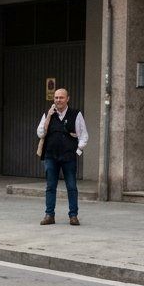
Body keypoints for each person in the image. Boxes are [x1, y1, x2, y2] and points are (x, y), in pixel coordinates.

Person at [36, 88, 87, 225]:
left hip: (68, 157)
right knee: (50, 186)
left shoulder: (76, 114)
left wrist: (78, 150)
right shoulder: (48, 114)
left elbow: (83, 135)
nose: (58, 100)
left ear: (67, 99)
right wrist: (48, 117)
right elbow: (40, 133)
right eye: (56, 98)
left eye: (61, 97)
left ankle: (73, 215)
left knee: (71, 186)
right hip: (50, 156)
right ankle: (49, 215)